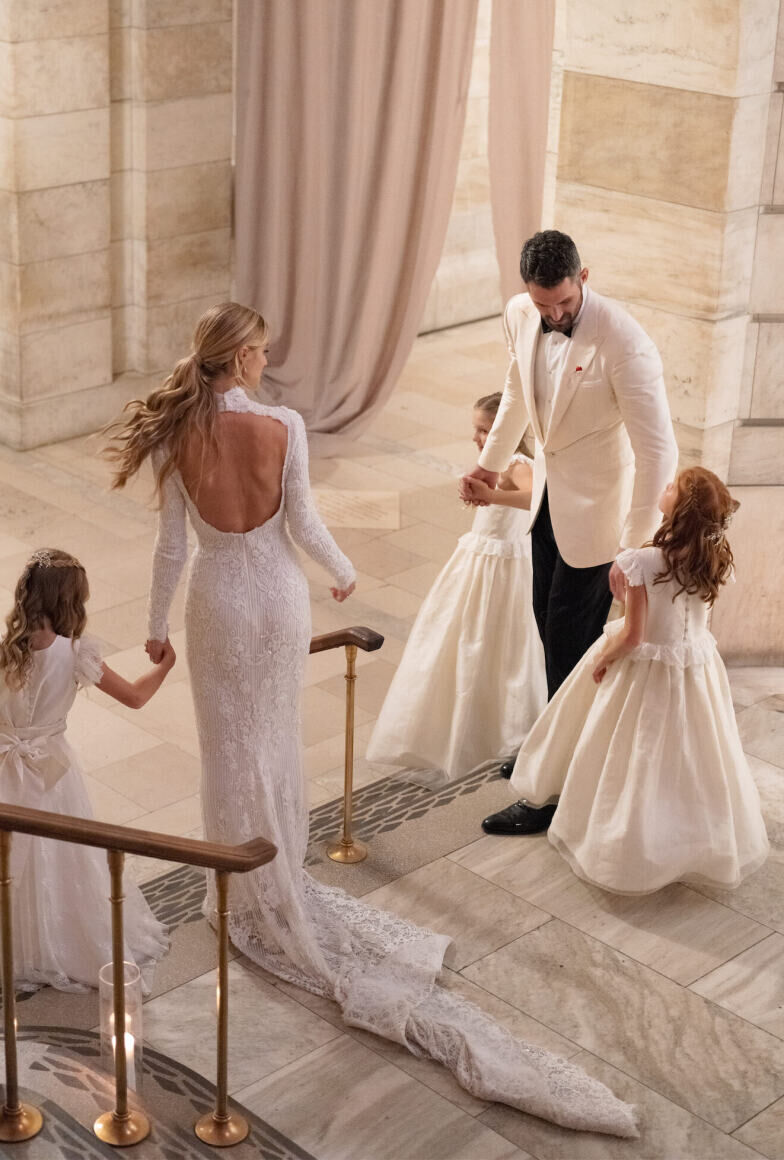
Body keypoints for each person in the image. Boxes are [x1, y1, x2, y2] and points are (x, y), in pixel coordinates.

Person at [103, 301, 637, 1137]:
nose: (266, 360)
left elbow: (174, 547)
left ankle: (242, 892)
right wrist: (344, 572)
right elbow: (305, 522)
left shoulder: (176, 436)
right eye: (262, 350)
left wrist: (152, 626)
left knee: (226, 750)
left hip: (215, 605)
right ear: (240, 356)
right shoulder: (283, 425)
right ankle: (274, 875)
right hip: (275, 602)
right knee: (274, 743)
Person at [461, 230, 678, 835]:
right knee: (545, 627)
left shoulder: (626, 344)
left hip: (603, 518)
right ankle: (551, 747)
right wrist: (491, 464)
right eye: (542, 305)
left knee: (571, 643)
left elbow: (658, 452)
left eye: (562, 303)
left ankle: (552, 791)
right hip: (550, 506)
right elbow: (514, 391)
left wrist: (634, 550)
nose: (553, 315)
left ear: (585, 276)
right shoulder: (519, 312)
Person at [504, 468, 769, 892]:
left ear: (679, 509)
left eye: (671, 487)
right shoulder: (713, 558)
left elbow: (634, 634)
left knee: (634, 748)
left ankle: (618, 834)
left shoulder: (644, 560)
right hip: (695, 664)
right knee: (690, 748)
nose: (663, 488)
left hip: (645, 668)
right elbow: (684, 614)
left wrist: (603, 658)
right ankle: (690, 830)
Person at [0, 549, 173, 991]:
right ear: (71, 603)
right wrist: (165, 665)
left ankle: (11, 948)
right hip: (54, 774)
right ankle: (59, 941)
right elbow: (137, 697)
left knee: (3, 857)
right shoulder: (76, 654)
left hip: (0, 768)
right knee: (60, 859)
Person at [366, 393, 546, 784]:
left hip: (504, 567)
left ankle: (497, 730)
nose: (478, 438)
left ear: (507, 431)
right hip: (478, 560)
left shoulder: (520, 463)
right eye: (476, 430)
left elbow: (534, 498)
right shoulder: (496, 463)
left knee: (498, 645)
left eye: (486, 430)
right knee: (458, 640)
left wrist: (491, 495)